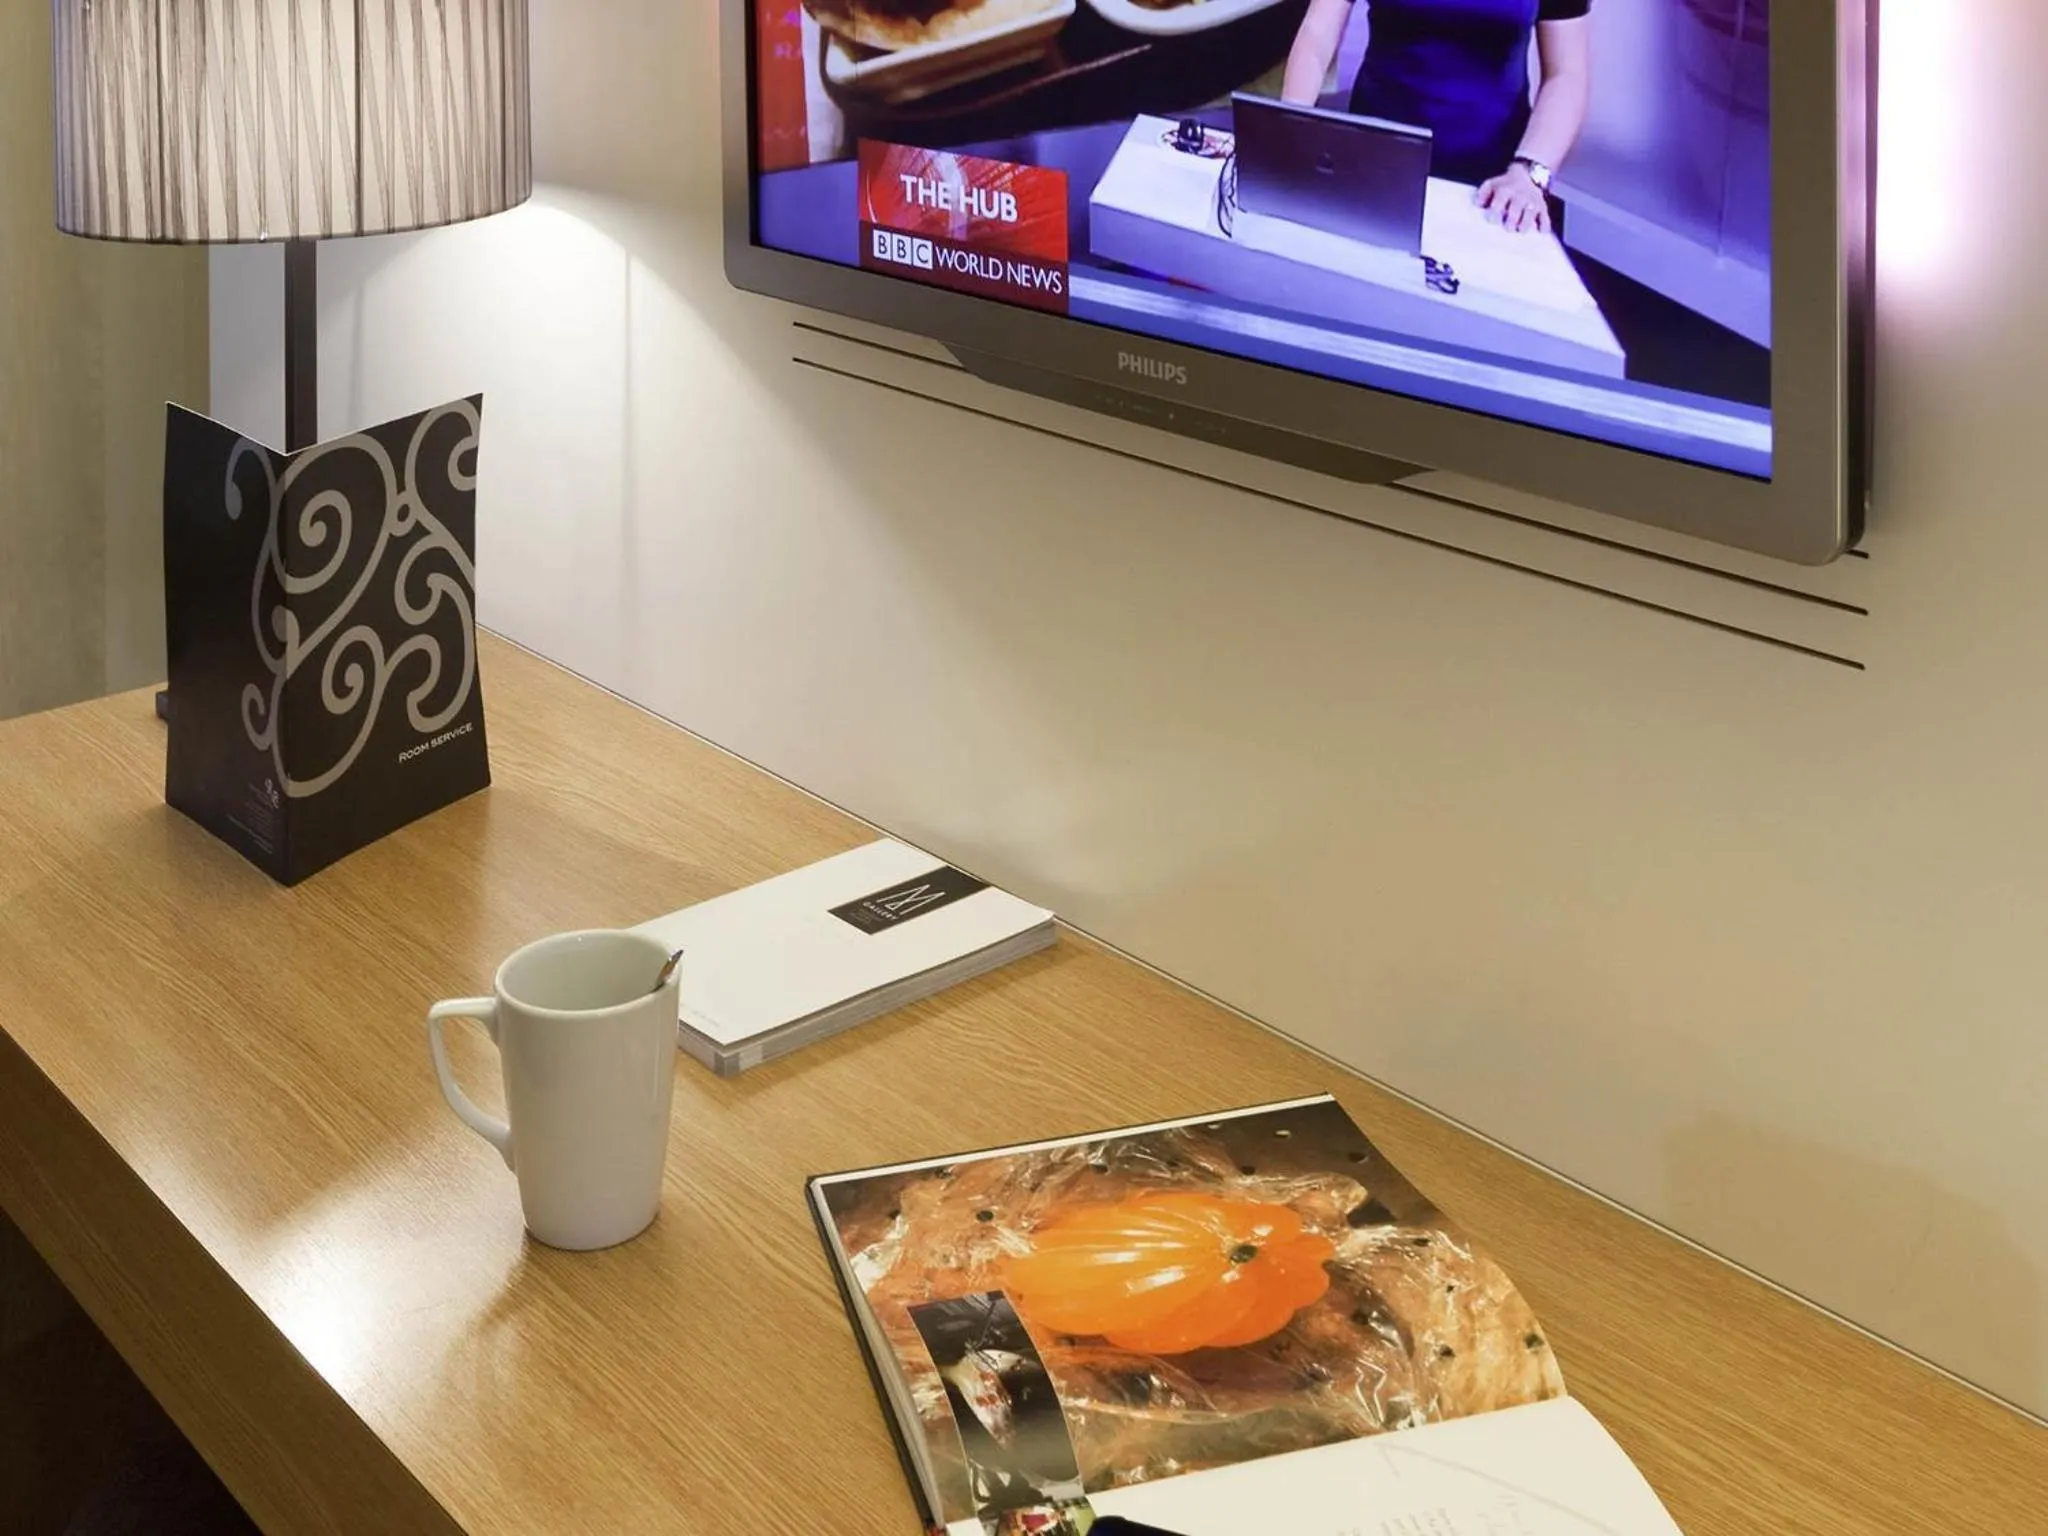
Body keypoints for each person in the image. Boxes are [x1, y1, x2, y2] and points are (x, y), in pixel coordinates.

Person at [1281, 0, 1593, 234]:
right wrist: (1288, 130)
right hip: (1373, 168)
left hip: (1491, 188)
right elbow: (1317, 36)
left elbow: (1566, 74)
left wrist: (1529, 173)